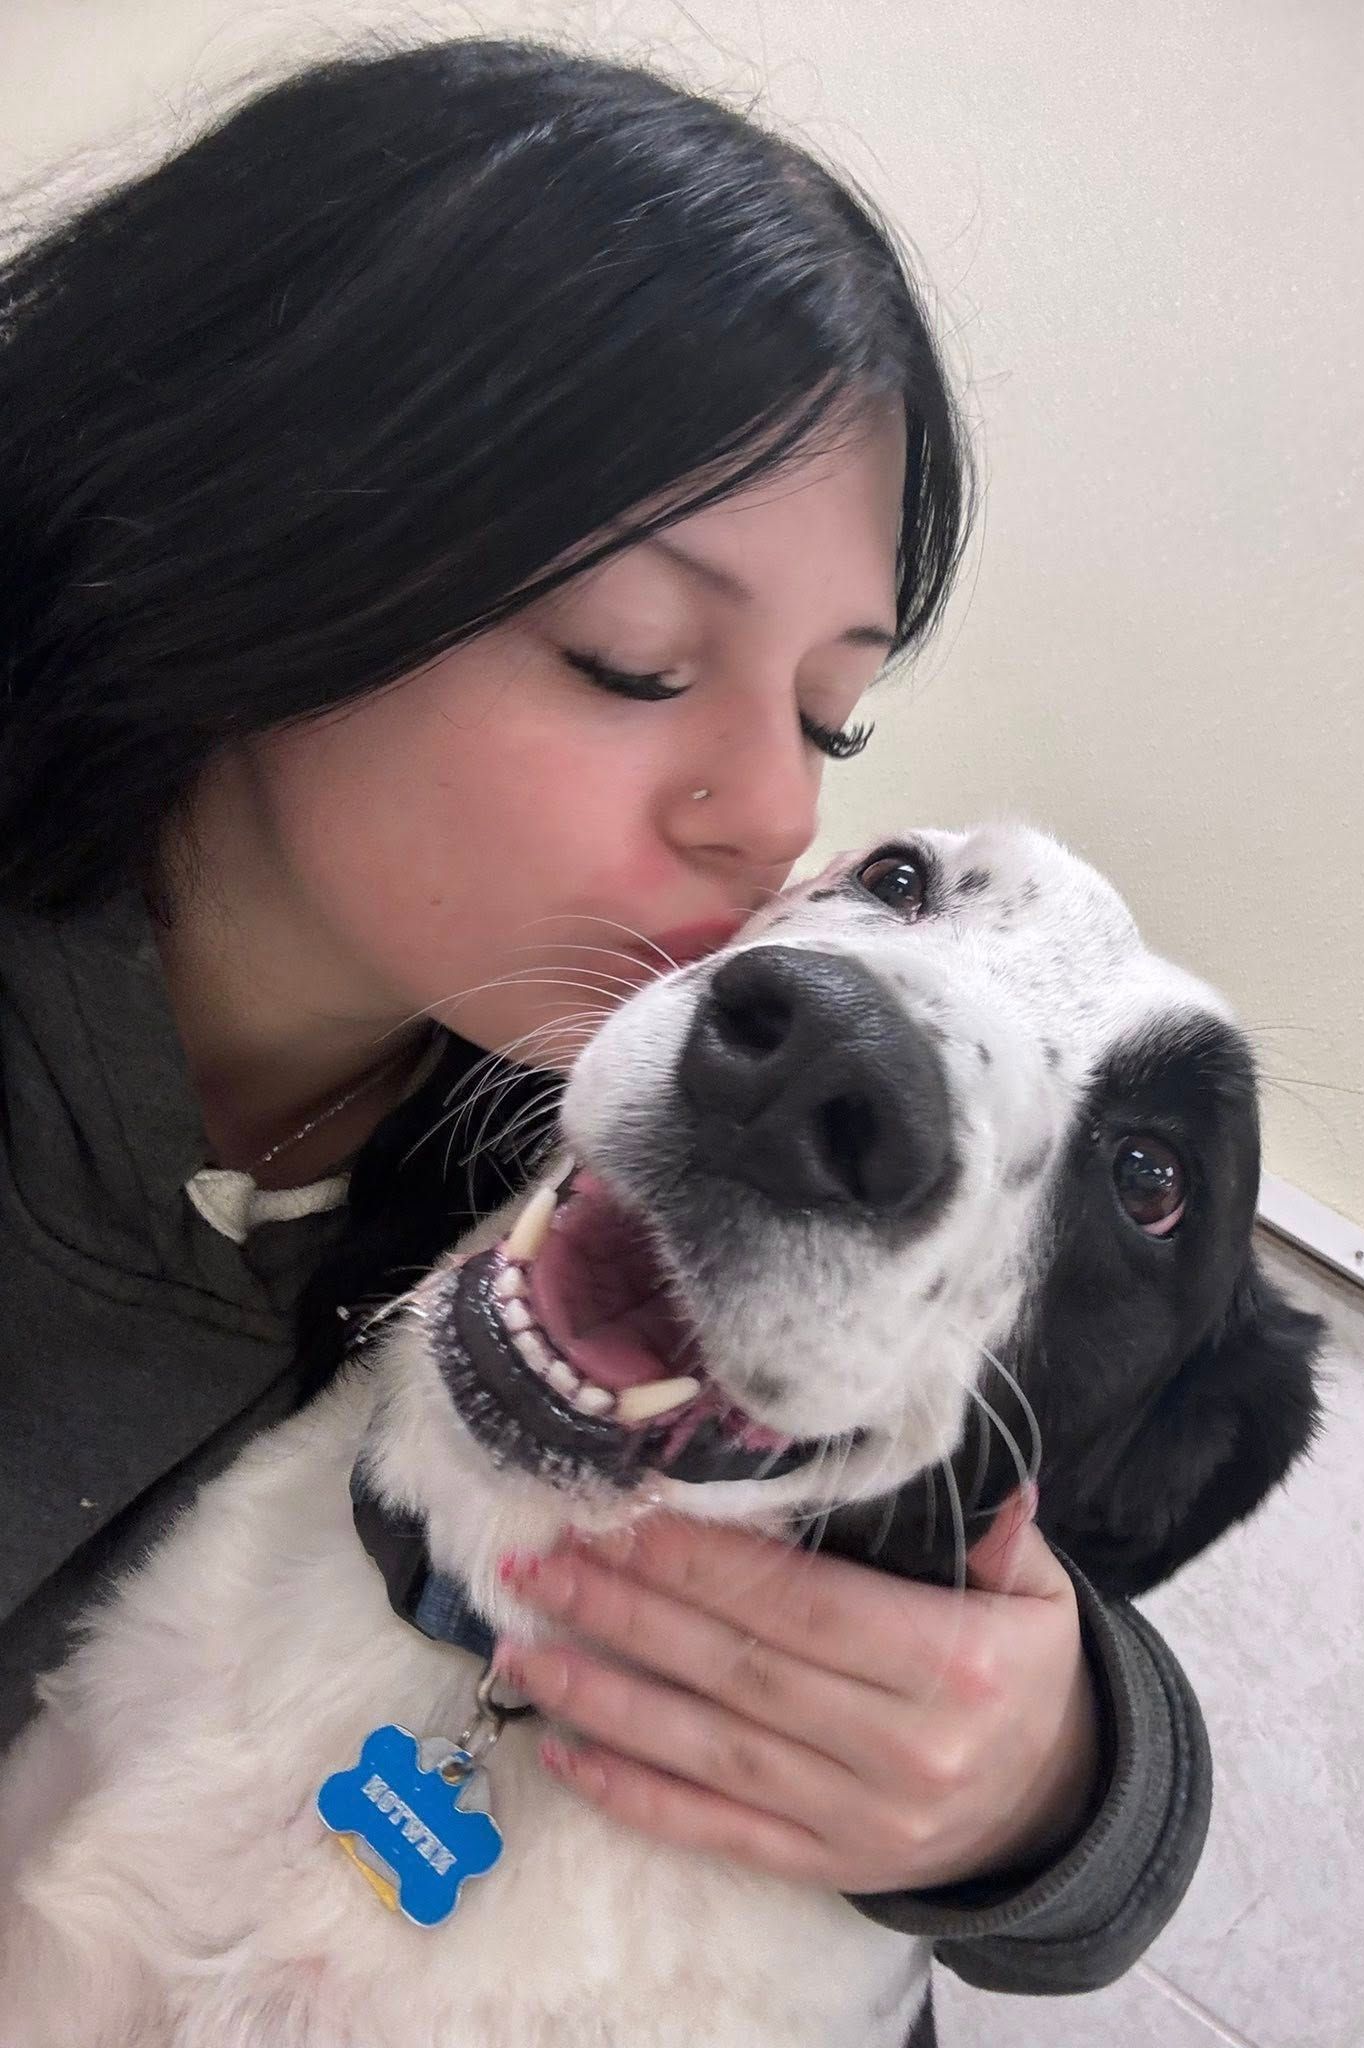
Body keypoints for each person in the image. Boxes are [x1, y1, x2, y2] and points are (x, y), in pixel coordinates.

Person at [0, 39, 1209, 2043]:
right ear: (247, 508)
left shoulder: (549, 1148)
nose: (767, 823)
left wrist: (1051, 1788)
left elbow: (1007, 1607)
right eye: (638, 660)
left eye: (830, 723)